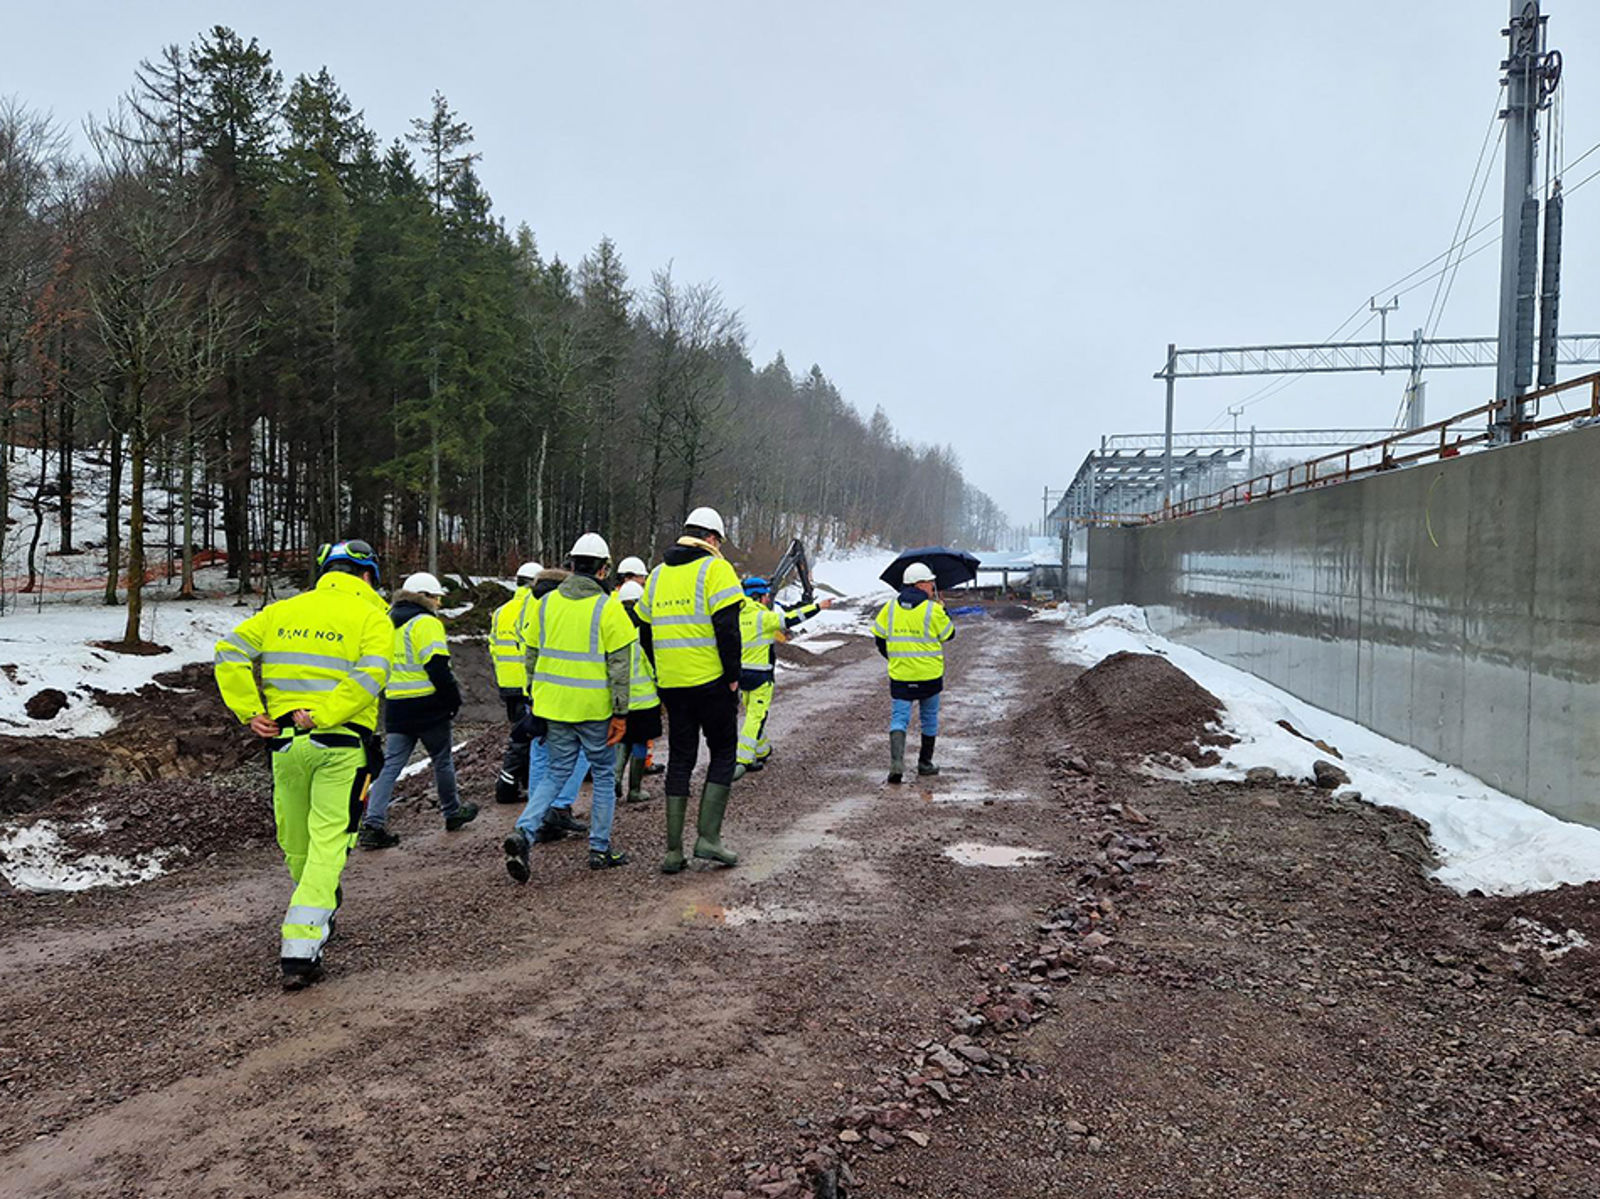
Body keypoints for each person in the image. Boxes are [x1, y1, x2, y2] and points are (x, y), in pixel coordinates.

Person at [213, 538, 392, 991]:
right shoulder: (373, 615)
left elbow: (228, 651)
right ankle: (301, 942)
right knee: (329, 840)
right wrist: (327, 713)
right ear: (368, 575)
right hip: (340, 745)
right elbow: (372, 675)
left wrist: (248, 710)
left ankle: (318, 903)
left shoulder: (282, 612)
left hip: (285, 747)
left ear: (325, 571)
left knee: (295, 839)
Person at [504, 533, 636, 879]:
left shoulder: (546, 603)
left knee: (555, 772)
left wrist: (535, 696)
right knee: (604, 774)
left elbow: (530, 655)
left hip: (553, 707)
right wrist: (621, 713)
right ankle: (599, 849)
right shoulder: (608, 607)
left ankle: (524, 831)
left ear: (571, 565)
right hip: (594, 709)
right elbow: (620, 665)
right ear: (604, 570)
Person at [635, 505, 744, 873]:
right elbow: (728, 628)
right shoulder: (716, 568)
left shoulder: (657, 574)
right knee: (724, 752)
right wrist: (732, 676)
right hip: (711, 682)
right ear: (712, 538)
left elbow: (645, 631)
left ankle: (673, 851)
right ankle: (708, 839)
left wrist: (661, 670)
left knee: (681, 758)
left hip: (672, 685)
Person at [357, 572, 478, 848]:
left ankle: (373, 824)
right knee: (442, 760)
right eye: (436, 598)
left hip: (397, 706)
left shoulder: (387, 621)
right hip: (428, 705)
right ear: (425, 597)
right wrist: (452, 700)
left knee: (390, 767)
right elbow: (437, 667)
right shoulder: (426, 623)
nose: (438, 603)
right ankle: (452, 812)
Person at [515, 566, 593, 841]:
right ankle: (558, 809)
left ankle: (539, 814)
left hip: (536, 689)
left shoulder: (528, 605)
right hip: (566, 691)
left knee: (540, 751)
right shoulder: (561, 606)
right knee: (579, 751)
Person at [733, 575, 828, 780]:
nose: (768, 599)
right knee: (755, 716)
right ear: (758, 596)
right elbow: (791, 618)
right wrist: (818, 607)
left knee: (753, 711)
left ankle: (762, 749)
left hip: (741, 674)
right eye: (766, 595)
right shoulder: (762, 617)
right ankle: (744, 758)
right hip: (760, 675)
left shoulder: (736, 616)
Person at [871, 561, 956, 784]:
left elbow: (880, 639)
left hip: (901, 676)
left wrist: (895, 658)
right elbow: (949, 634)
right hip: (929, 676)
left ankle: (896, 763)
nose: (932, 586)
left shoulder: (889, 608)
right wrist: (944, 611)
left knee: (899, 718)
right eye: (930, 582)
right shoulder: (933, 609)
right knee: (929, 719)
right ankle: (925, 764)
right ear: (919, 584)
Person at [491, 561, 542, 805]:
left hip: (507, 683)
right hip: (526, 684)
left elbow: (492, 646)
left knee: (520, 732)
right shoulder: (533, 608)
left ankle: (523, 782)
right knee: (523, 737)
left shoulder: (502, 611)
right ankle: (508, 785)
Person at [615, 579, 663, 803]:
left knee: (623, 739)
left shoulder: (613, 624)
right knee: (640, 742)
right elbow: (654, 661)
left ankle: (615, 779)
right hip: (644, 698)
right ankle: (634, 789)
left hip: (620, 697)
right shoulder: (645, 627)